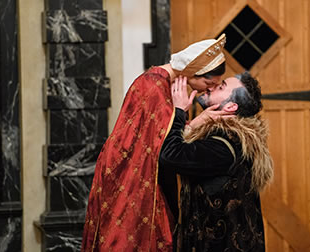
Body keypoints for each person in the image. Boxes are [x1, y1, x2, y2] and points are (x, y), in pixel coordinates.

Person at [81, 34, 227, 252]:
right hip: (129, 174)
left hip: (134, 170)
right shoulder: (154, 87)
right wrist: (182, 114)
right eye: (208, 83)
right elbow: (164, 149)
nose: (208, 90)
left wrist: (195, 121)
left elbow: (158, 137)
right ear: (189, 72)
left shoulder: (160, 82)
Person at [159, 72, 274, 251]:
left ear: (230, 107)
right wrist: (196, 123)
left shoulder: (224, 147)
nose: (212, 85)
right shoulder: (228, 139)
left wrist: (179, 112)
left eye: (221, 87)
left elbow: (169, 155)